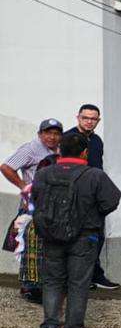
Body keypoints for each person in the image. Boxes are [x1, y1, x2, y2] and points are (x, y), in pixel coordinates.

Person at [31, 131, 121, 328]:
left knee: (52, 282)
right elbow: (111, 202)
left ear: (59, 150)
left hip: (51, 236)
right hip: (84, 237)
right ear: (85, 152)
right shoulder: (95, 175)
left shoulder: (43, 174)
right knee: (78, 284)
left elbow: (35, 199)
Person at [3, 119, 63, 303]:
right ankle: (29, 287)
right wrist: (23, 185)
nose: (52, 137)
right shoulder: (30, 149)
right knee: (28, 245)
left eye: (56, 133)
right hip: (32, 205)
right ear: (40, 134)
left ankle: (42, 284)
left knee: (44, 247)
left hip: (52, 206)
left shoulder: (59, 150)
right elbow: (6, 167)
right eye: (48, 133)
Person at [69, 103, 118, 290]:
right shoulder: (70, 138)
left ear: (98, 121)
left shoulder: (97, 141)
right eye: (85, 118)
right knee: (79, 239)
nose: (89, 122)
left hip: (95, 197)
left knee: (98, 236)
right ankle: (80, 277)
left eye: (93, 119)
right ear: (78, 117)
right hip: (76, 198)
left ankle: (95, 275)